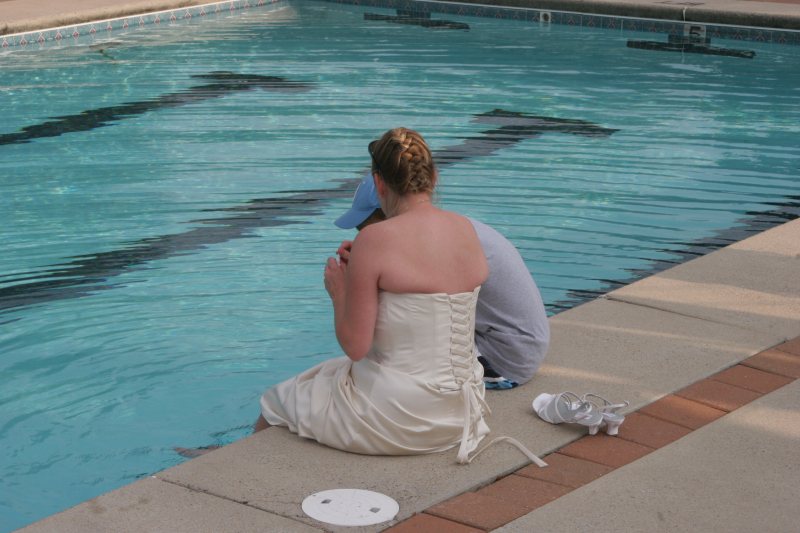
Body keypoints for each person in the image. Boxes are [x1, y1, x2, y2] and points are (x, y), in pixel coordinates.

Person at [256, 128, 494, 463]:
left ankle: (231, 469)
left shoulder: (374, 239)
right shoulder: (465, 228)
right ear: (434, 177)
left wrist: (340, 291)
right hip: (462, 412)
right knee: (327, 373)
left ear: (379, 183)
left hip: (398, 415)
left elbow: (355, 347)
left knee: (277, 400)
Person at [333, 174, 549, 390]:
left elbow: (363, 341)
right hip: (521, 346)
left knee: (396, 315)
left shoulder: (436, 243)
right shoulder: (448, 229)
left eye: (366, 228)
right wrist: (365, 261)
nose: (366, 236)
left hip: (505, 360)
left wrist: (342, 290)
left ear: (388, 215)